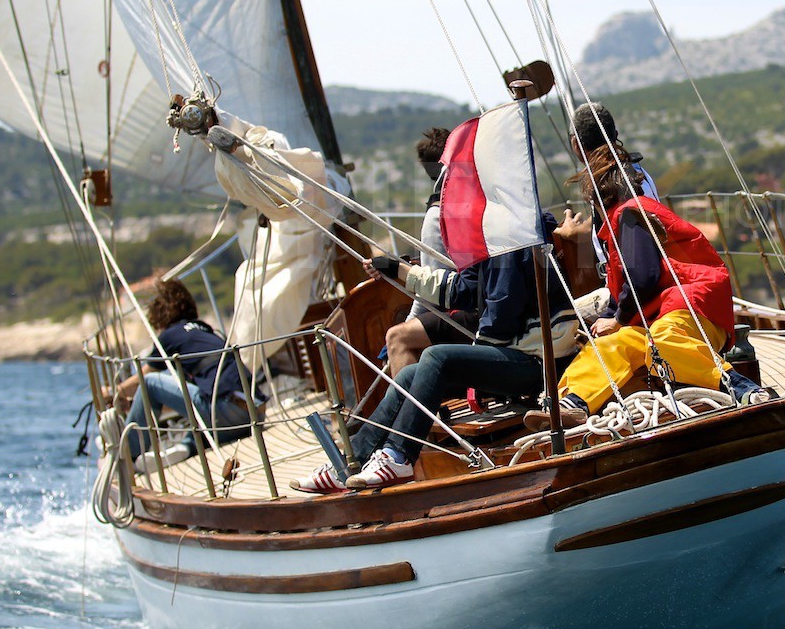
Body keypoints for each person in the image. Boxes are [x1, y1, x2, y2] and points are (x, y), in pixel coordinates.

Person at [291, 220, 578, 494]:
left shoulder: (513, 244)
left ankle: (398, 455)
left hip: (540, 363)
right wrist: (401, 270)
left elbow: (503, 314)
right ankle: (349, 462)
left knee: (437, 358)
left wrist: (473, 368)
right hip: (519, 354)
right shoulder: (495, 242)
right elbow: (462, 290)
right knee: (408, 375)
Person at [532, 145, 733, 429]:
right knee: (610, 345)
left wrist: (617, 319)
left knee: (663, 338)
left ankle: (736, 384)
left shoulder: (630, 215)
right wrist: (614, 321)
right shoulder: (627, 220)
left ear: (600, 201)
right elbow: (629, 289)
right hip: (662, 313)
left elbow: (643, 277)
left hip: (693, 307)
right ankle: (575, 403)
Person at [115, 279, 254, 474]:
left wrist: (115, 392)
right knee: (203, 416)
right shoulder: (206, 330)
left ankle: (127, 458)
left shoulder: (171, 335)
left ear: (160, 315)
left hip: (224, 411)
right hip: (252, 414)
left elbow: (145, 376)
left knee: (150, 384)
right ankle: (185, 448)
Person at [383, 127, 476, 377]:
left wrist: (406, 326)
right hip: (496, 307)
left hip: (472, 314)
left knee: (398, 338)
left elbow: (433, 295)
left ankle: (419, 416)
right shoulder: (479, 203)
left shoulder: (437, 217)